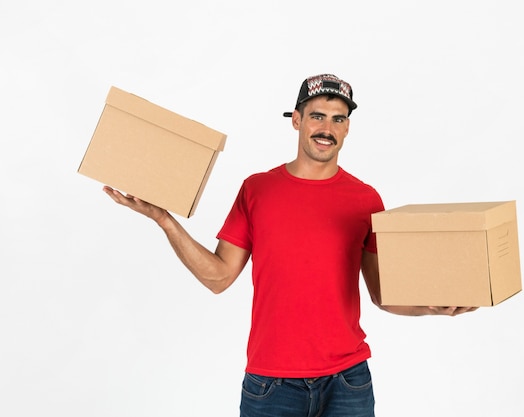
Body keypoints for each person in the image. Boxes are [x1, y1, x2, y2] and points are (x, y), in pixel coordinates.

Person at [103, 73, 477, 417]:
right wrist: (164, 219)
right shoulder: (257, 190)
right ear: (296, 120)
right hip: (271, 385)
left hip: (348, 381)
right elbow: (218, 278)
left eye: (338, 119)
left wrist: (435, 308)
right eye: (317, 116)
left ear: (348, 128)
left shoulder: (365, 199)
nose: (326, 128)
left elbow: (383, 295)